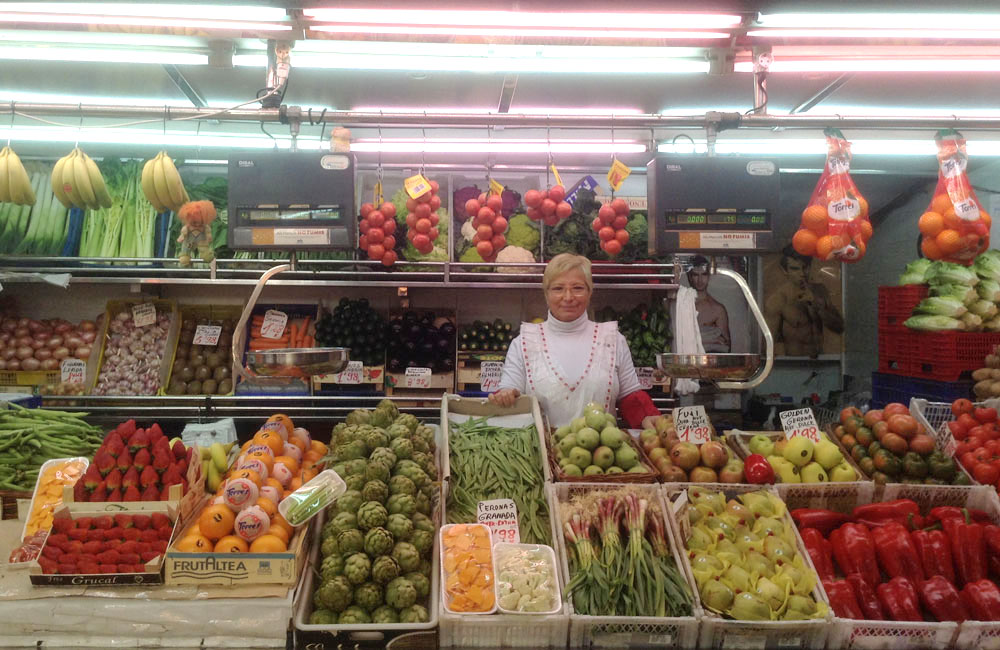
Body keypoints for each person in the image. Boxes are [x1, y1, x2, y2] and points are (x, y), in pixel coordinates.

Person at [489, 254, 661, 429]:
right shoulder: (524, 342)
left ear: (590, 291)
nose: (568, 297)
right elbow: (509, 391)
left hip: (600, 452)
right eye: (558, 288)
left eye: (578, 288)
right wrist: (506, 396)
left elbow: (630, 397)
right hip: (542, 451)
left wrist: (649, 418)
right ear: (546, 293)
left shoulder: (612, 339)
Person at [764, 245, 844, 358]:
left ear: (810, 266)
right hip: (795, 364)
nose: (801, 273)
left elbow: (839, 327)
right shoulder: (779, 299)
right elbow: (768, 344)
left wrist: (816, 304)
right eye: (795, 269)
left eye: (805, 267)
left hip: (820, 362)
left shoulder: (819, 291)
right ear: (785, 271)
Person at [687, 255, 731, 353]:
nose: (700, 280)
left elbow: (726, 346)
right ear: (689, 277)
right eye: (695, 275)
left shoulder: (717, 309)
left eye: (704, 274)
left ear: (709, 276)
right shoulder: (681, 305)